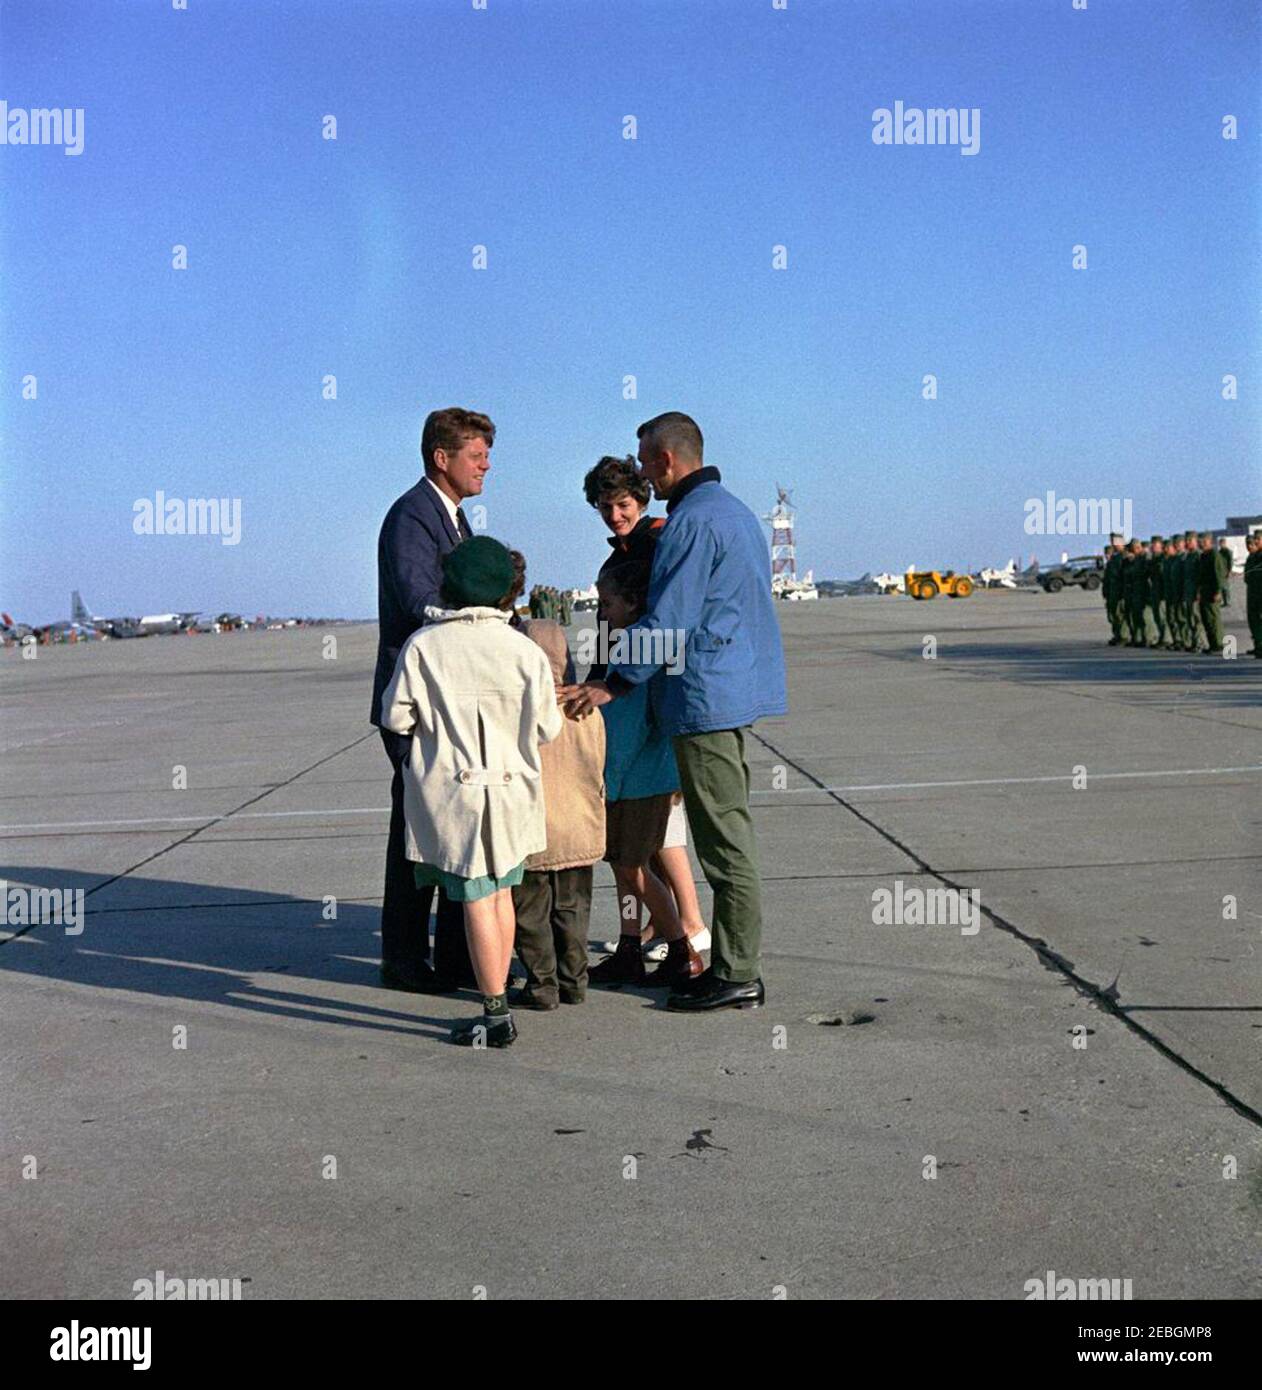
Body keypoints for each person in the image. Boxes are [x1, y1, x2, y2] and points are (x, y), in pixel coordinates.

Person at [561, 411, 788, 1013]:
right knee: (723, 837)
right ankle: (729, 963)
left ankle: (736, 971)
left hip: (704, 701)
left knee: (723, 844)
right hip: (731, 692)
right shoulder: (736, 513)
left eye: (643, 463)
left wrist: (613, 681)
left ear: (665, 460)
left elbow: (667, 623)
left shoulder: (690, 523)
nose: (641, 475)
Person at [380, 536, 564, 1047]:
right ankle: (498, 995)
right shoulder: (523, 650)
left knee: (476, 899)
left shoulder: (424, 646)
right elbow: (548, 727)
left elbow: (394, 715)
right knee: (501, 892)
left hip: (453, 795)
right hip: (511, 792)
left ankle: (496, 1013)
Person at [372, 406, 492, 994]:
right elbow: (422, 599)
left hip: (447, 697)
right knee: (418, 830)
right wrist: (488, 620)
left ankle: (457, 956)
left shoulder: (454, 518)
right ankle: (403, 959)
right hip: (415, 701)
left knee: (449, 824)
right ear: (442, 459)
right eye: (476, 455)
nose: (486, 465)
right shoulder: (412, 517)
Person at [582, 453, 711, 960]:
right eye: (604, 508)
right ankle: (643, 932)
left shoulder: (662, 542)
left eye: (622, 504)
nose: (614, 515)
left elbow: (672, 623)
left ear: (642, 498)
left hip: (656, 697)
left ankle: (691, 926)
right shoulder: (618, 559)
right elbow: (605, 632)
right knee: (636, 842)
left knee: (662, 834)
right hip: (623, 694)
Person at [587, 564, 704, 990]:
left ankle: (680, 949)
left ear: (633, 603)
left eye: (607, 603)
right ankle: (630, 948)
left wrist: (607, 781)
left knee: (633, 869)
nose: (602, 612)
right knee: (624, 869)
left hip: (637, 778)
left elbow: (627, 728)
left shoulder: (634, 648)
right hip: (649, 774)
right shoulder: (647, 643)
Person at [511, 606, 606, 1011]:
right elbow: (599, 764)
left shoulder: (518, 709)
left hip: (532, 829)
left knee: (531, 912)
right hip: (579, 827)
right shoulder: (586, 709)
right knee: (573, 908)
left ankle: (542, 985)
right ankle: (575, 980)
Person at [1197, 532, 1231, 654]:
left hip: (1212, 590)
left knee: (1214, 618)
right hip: (1205, 591)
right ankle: (1212, 643)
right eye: (1200, 541)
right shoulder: (1203, 556)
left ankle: (1219, 643)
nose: (1202, 544)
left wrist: (1218, 591)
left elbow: (1219, 574)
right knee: (1206, 618)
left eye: (1204, 541)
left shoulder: (1214, 555)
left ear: (1210, 542)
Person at [1181, 530, 1205, 653]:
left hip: (1195, 591)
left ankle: (1200, 643)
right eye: (1186, 540)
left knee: (1197, 618)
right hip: (1188, 591)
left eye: (1190, 540)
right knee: (1190, 618)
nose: (1187, 542)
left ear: (1196, 541)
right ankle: (1194, 641)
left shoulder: (1198, 556)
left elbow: (1201, 576)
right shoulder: (1188, 557)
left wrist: (1199, 591)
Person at [1103, 541, 1129, 646]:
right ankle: (1117, 635)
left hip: (1119, 591)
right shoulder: (1112, 562)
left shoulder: (1121, 559)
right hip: (1112, 592)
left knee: (1120, 615)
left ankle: (1124, 636)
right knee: (1113, 615)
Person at [1163, 535, 1186, 651]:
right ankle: (1178, 640)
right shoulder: (1173, 560)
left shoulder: (1183, 558)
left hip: (1180, 593)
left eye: (1178, 543)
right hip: (1172, 592)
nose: (1176, 546)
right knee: (1172, 618)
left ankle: (1185, 640)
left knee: (1182, 618)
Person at [1244, 532, 1262, 658]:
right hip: (1253, 592)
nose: (1255, 542)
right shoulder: (1253, 557)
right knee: (1254, 620)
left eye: (1258, 539)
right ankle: (1258, 645)